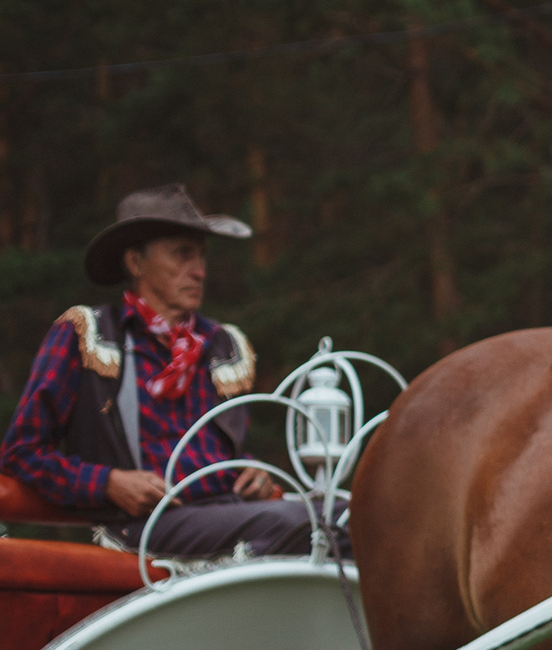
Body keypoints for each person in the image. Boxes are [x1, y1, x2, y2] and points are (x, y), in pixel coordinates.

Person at [3, 184, 323, 559]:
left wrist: (253, 473)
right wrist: (108, 483)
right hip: (146, 526)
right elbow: (21, 454)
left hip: (229, 513)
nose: (199, 271)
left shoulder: (220, 345)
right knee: (297, 522)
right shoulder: (87, 335)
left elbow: (221, 452)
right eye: (182, 255)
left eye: (202, 256)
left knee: (340, 515)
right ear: (136, 263)